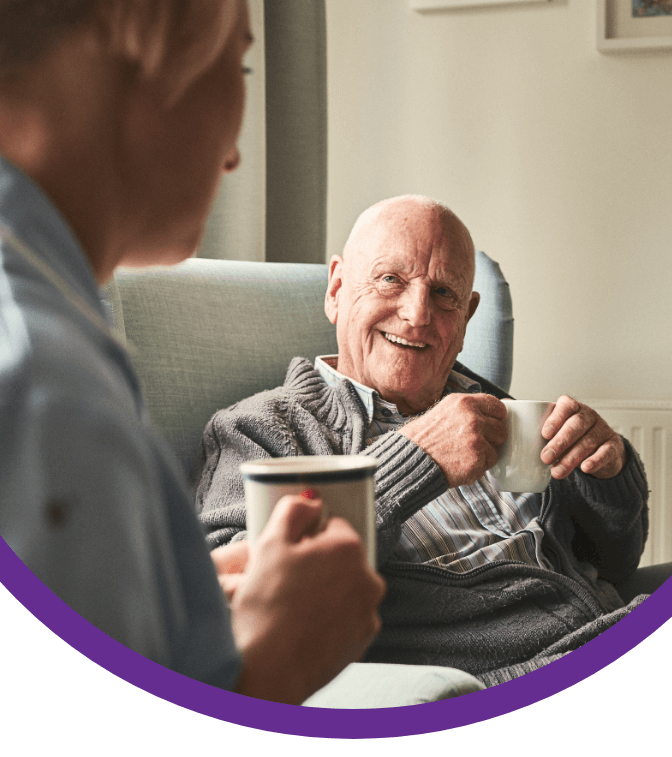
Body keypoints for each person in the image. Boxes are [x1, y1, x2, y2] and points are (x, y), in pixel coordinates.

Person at [0, 0, 385, 706]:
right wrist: (276, 660)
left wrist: (164, 598)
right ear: (128, 39)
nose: (235, 151)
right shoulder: (47, 388)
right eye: (233, 63)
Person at [196, 194, 669, 688]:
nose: (418, 313)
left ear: (467, 317)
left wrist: (608, 474)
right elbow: (234, 603)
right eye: (390, 279)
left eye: (444, 293)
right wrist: (416, 458)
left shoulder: (497, 407)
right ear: (337, 288)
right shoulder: (261, 427)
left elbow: (615, 563)